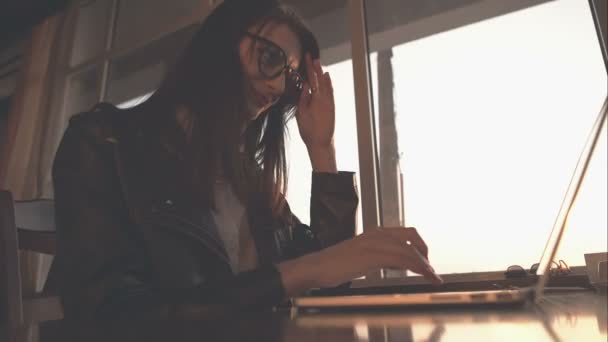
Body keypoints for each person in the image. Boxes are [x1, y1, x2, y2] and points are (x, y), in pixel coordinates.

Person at [46, 0, 442, 320]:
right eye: (270, 58)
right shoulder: (104, 144)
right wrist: (298, 274)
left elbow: (329, 274)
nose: (276, 86)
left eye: (291, 78)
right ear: (222, 40)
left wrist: (322, 148)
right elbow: (114, 320)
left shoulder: (246, 180)